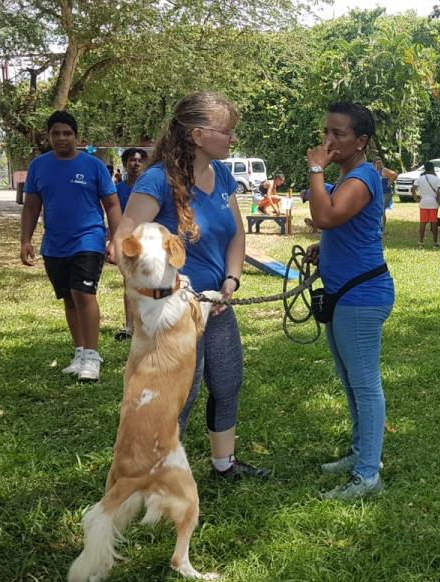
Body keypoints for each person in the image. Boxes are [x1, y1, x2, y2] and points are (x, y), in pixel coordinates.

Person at [115, 91, 270, 481]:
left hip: (216, 303)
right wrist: (160, 293)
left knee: (227, 380)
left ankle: (224, 464)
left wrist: (232, 279)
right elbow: (123, 242)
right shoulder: (157, 180)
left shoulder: (220, 176)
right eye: (227, 131)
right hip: (173, 314)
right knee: (180, 393)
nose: (232, 138)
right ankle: (154, 475)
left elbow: (235, 234)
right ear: (199, 135)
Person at [304, 101, 394, 500]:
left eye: (338, 134)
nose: (328, 141)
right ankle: (361, 455)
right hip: (345, 292)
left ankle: (367, 475)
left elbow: (326, 217)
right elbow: (338, 227)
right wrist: (325, 250)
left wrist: (315, 169)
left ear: (361, 141)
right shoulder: (346, 178)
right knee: (350, 383)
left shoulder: (359, 179)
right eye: (326, 132)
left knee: (365, 385)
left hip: (362, 295)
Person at [20, 111, 121, 382]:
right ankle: (79, 352)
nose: (62, 138)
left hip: (88, 239)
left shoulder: (94, 166)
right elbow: (31, 206)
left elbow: (111, 205)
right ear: (49, 136)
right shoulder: (38, 166)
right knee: (68, 297)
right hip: (54, 244)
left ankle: (92, 356)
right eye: (56, 133)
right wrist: (25, 240)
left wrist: (115, 239)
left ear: (76, 136)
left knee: (84, 294)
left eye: (67, 133)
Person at [113, 147, 147, 341]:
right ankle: (129, 326)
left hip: (147, 241)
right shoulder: (118, 190)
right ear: (126, 164)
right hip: (127, 243)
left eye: (139, 160)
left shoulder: (149, 187)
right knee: (129, 282)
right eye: (132, 160)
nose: (136, 164)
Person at [413, 161, 440, 248]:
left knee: (422, 223)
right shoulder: (436, 178)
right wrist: (439, 199)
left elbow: (413, 188)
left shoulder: (420, 178)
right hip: (433, 202)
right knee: (434, 223)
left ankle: (421, 242)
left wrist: (416, 198)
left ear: (425, 169)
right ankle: (435, 242)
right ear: (433, 168)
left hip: (423, 202)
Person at [372, 156, 398, 222]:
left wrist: (390, 183)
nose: (379, 164)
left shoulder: (384, 170)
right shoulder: (374, 171)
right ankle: (380, 227)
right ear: (374, 164)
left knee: (381, 210)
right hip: (378, 194)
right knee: (378, 210)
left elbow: (395, 174)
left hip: (385, 193)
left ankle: (382, 229)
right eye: (377, 163)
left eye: (380, 163)